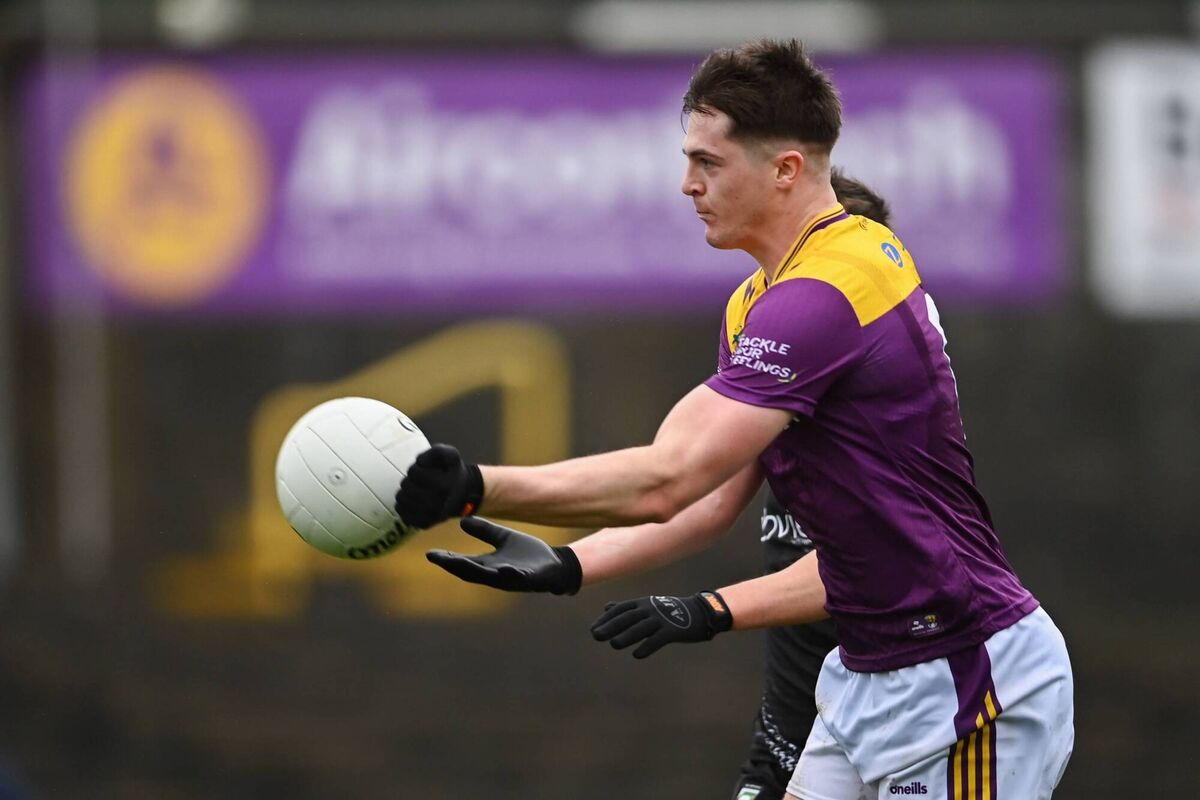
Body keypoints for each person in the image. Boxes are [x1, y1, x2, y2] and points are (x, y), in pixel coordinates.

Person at [396, 39, 1074, 799]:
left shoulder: (831, 287)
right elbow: (707, 496)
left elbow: (666, 478)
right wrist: (573, 563)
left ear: (785, 168)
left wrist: (475, 486)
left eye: (708, 163)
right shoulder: (759, 301)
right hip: (864, 678)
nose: (686, 185)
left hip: (965, 673)